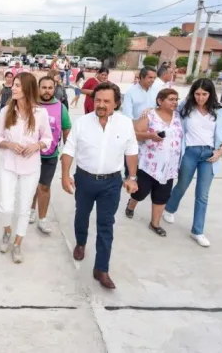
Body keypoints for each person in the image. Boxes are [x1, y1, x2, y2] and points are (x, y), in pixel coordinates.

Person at [61, 82, 138, 289]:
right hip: (85, 180)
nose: (101, 105)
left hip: (112, 183)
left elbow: (131, 150)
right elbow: (69, 149)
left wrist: (132, 177)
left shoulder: (125, 123)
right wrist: (65, 175)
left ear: (116, 103)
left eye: (106, 101)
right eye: (98, 100)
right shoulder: (82, 123)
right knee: (81, 215)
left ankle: (101, 269)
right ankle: (81, 242)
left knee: (106, 224)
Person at [163, 78, 222, 247]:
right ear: (193, 93)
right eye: (197, 94)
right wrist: (150, 110)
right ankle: (170, 208)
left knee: (203, 194)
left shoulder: (219, 110)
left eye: (204, 94)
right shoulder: (186, 106)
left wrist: (221, 150)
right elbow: (168, 111)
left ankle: (197, 231)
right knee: (182, 185)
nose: (200, 97)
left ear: (210, 93)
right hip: (190, 153)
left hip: (209, 155)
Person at [0, 72, 52, 263]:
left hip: (31, 167)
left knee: (24, 208)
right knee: (6, 206)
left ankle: (18, 243)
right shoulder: (6, 111)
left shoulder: (40, 113)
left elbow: (47, 139)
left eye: (18, 85)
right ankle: (6, 231)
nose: (13, 87)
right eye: (14, 85)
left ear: (28, 89)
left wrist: (36, 146)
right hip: (9, 164)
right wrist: (10, 145)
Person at [125, 89, 183, 237]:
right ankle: (131, 204)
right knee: (141, 192)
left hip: (169, 167)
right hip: (149, 164)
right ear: (159, 101)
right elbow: (135, 134)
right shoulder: (149, 115)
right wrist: (150, 135)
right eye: (170, 99)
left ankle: (155, 224)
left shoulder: (179, 116)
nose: (174, 102)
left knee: (162, 196)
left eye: (176, 99)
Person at [30, 76, 72, 233]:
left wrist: (67, 150)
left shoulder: (61, 108)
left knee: (44, 187)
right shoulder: (31, 105)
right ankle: (31, 211)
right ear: (38, 88)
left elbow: (67, 129)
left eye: (50, 87)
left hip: (50, 155)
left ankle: (42, 219)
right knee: (31, 185)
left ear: (54, 89)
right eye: (44, 87)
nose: (47, 91)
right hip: (30, 155)